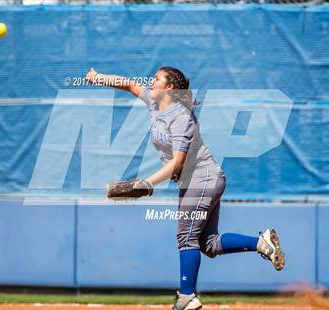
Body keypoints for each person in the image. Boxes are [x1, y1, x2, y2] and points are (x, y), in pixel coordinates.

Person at [85, 67, 285, 310]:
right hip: (195, 182)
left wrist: (148, 183)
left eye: (157, 78)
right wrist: (98, 78)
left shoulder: (181, 116)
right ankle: (260, 242)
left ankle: (187, 296)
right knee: (208, 244)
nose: (151, 81)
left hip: (204, 179)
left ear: (169, 87)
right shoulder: (152, 100)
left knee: (186, 237)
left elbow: (177, 162)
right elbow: (128, 84)